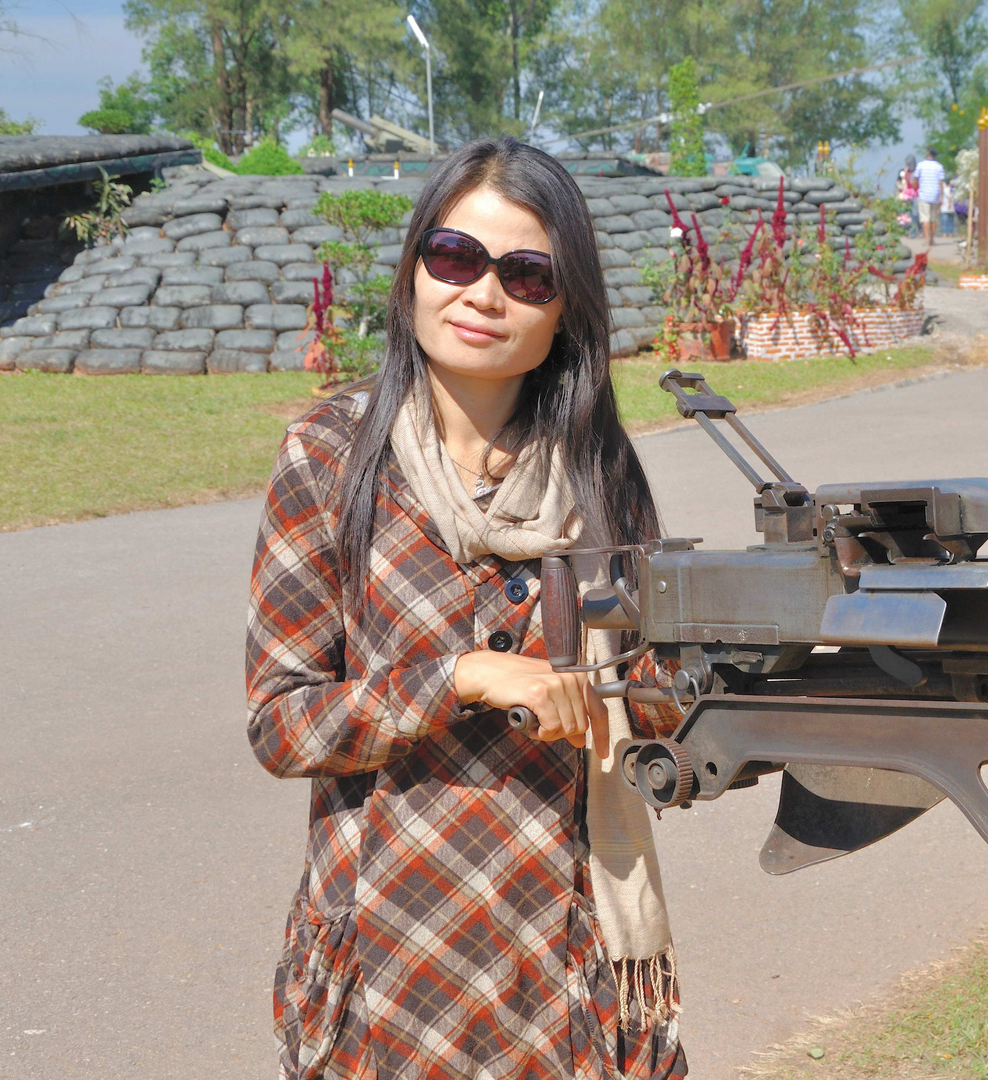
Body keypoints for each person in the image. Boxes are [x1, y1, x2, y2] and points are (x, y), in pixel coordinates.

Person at [246, 137, 688, 1080]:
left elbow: (654, 695)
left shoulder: (601, 474)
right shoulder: (332, 457)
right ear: (414, 271)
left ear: (566, 312)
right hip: (387, 954)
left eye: (528, 275)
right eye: (455, 258)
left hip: (561, 957)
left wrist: (699, 689)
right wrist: (467, 678)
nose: (483, 295)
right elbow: (282, 724)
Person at [914, 147, 946, 247]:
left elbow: (916, 180)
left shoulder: (920, 165)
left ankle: (927, 238)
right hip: (935, 194)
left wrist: (914, 189)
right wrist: (941, 196)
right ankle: (932, 239)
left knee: (925, 217)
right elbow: (940, 182)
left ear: (927, 154)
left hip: (924, 194)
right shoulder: (939, 167)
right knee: (933, 218)